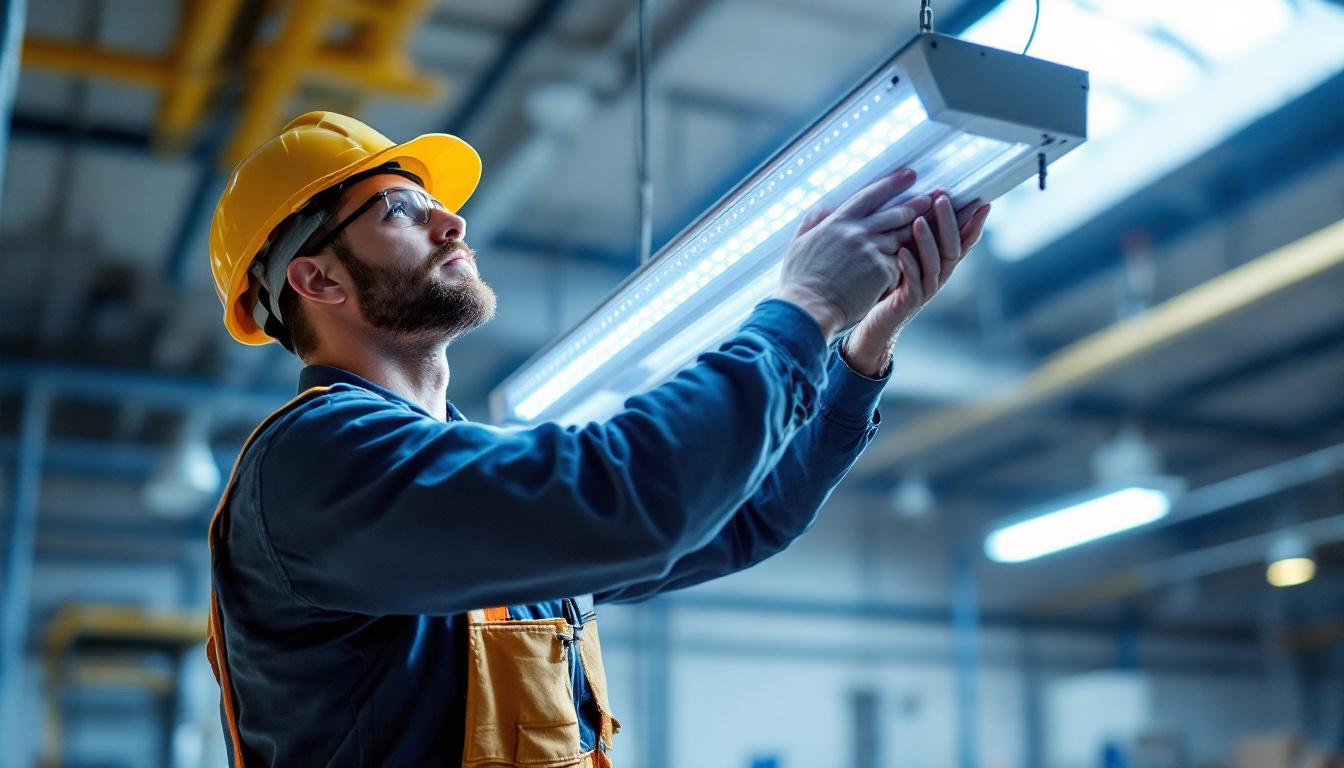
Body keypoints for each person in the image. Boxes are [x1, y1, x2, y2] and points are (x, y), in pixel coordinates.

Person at [204, 111, 990, 767]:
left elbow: (750, 518)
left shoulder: (460, 485)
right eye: (400, 211)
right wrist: (806, 307)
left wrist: (861, 352)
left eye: (434, 203)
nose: (453, 220)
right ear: (319, 279)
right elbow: (641, 498)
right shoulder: (318, 461)